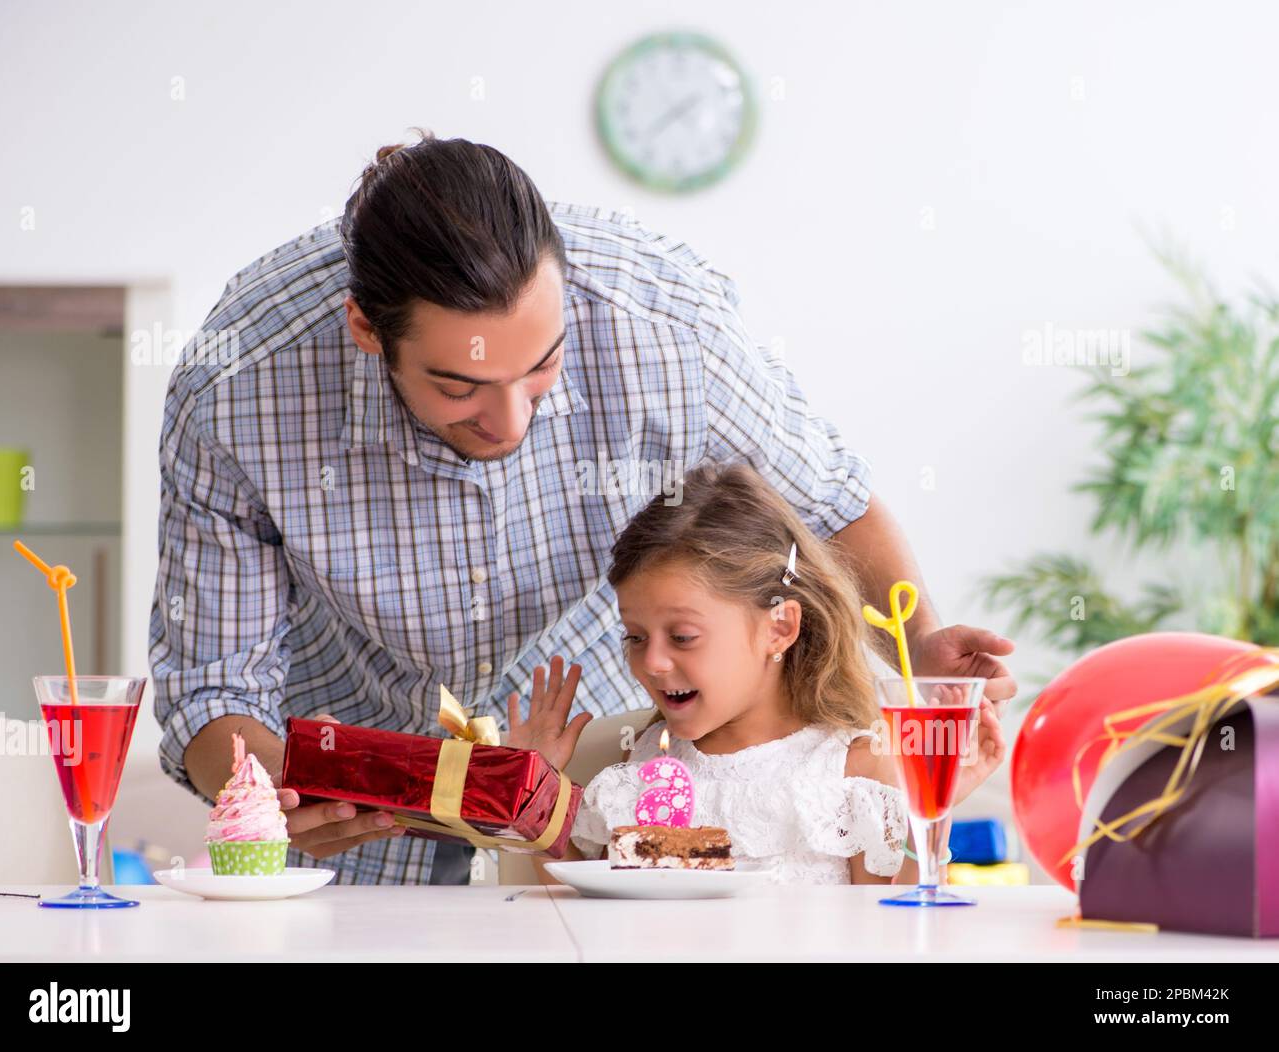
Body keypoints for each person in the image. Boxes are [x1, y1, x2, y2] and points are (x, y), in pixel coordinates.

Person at [150, 130, 1015, 886]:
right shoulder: (237, 387)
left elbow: (826, 505)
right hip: (356, 823)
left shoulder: (663, 323)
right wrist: (271, 787)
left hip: (605, 755)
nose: (510, 420)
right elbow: (216, 683)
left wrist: (920, 648)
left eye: (544, 365)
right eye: (459, 387)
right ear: (367, 330)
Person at [511, 462, 1005, 884]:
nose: (652, 662)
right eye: (635, 636)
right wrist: (534, 795)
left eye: (682, 636)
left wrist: (931, 807)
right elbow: (580, 920)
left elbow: (898, 932)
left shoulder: (853, 772)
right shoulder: (642, 764)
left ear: (780, 627)